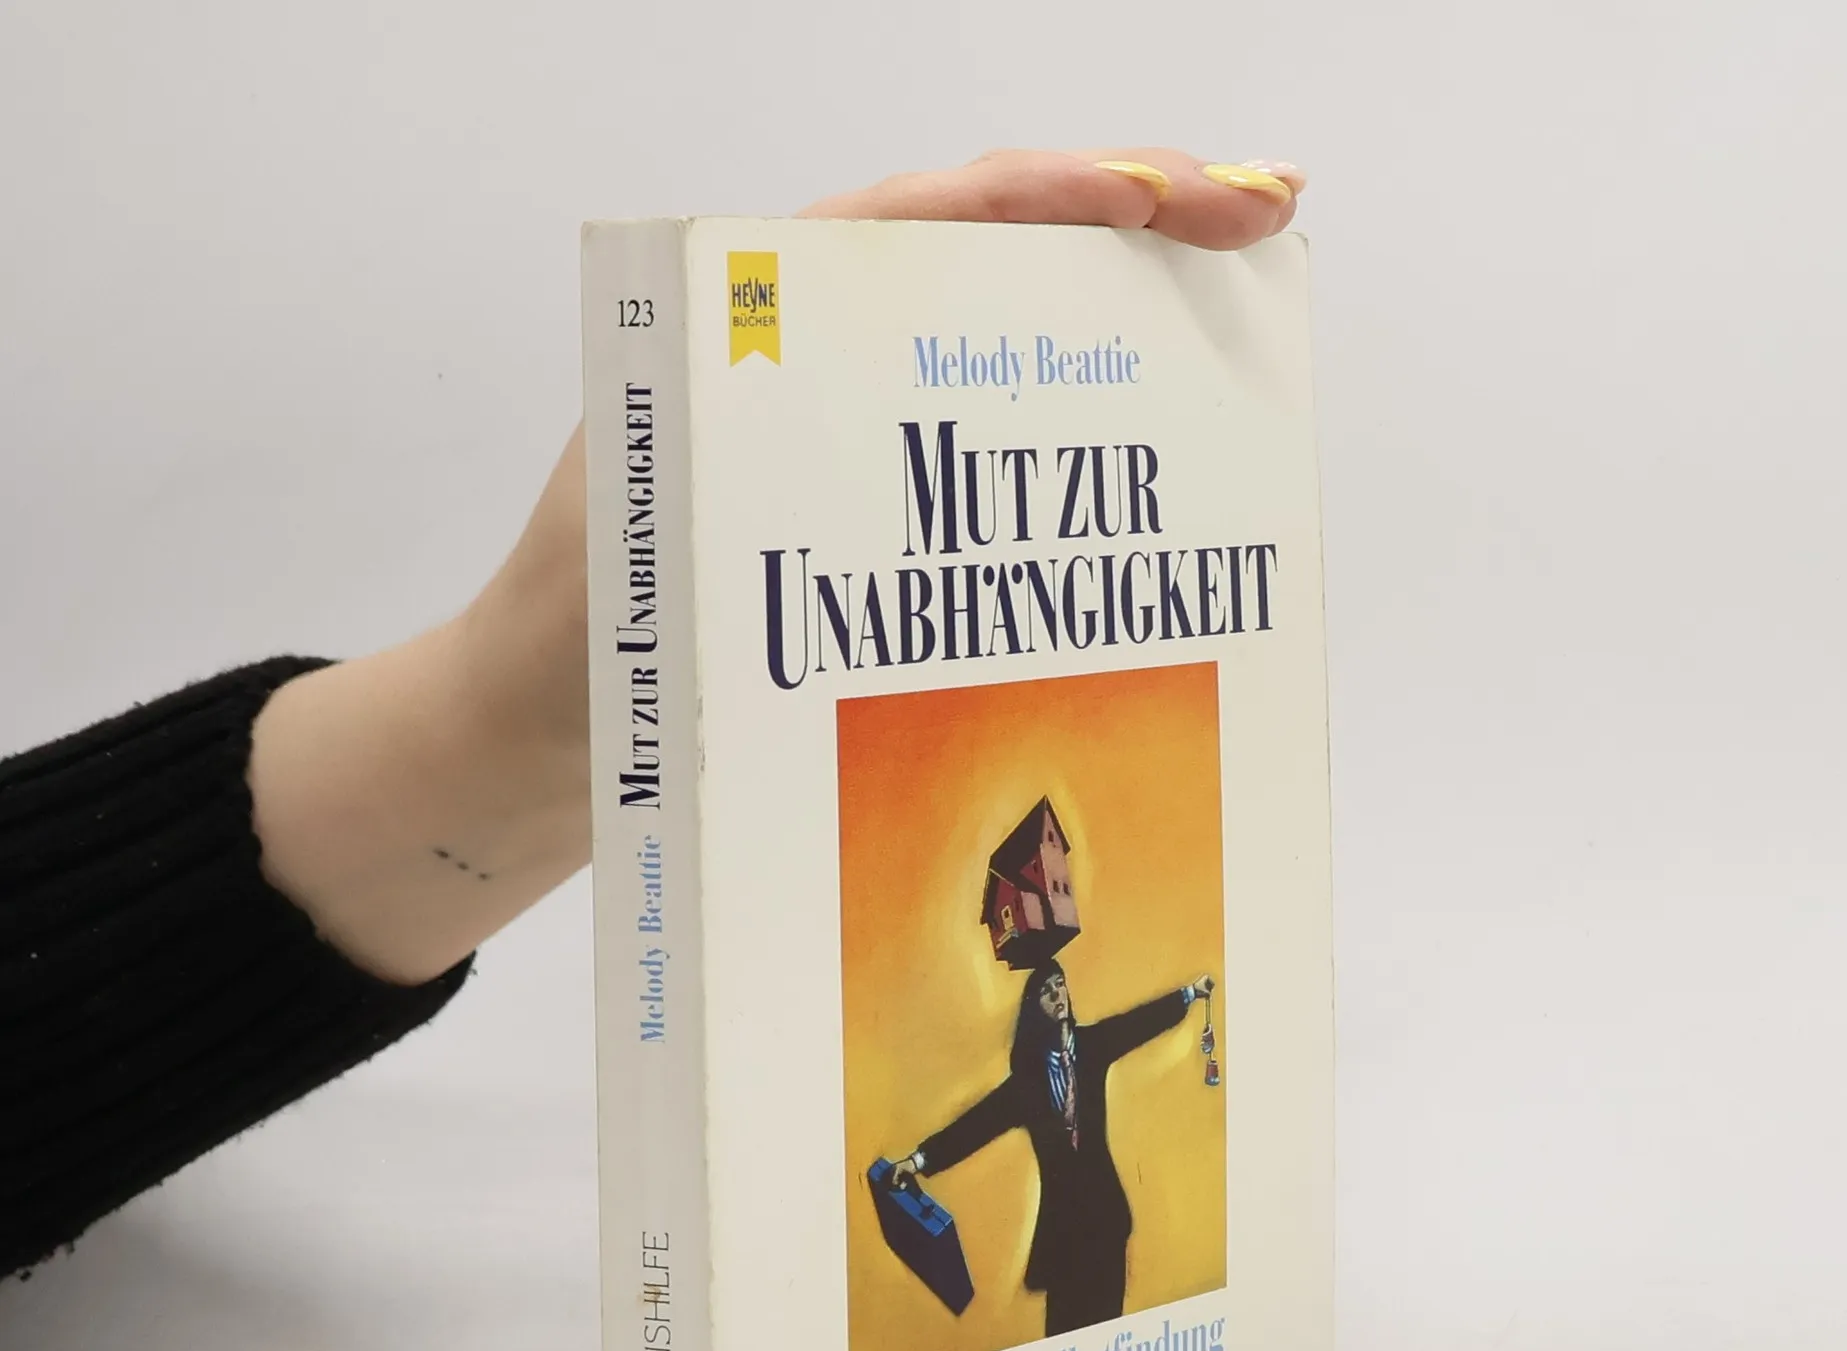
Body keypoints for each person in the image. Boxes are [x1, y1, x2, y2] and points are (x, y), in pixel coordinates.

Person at [0, 148, 1304, 1277]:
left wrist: (516, 724)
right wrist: (516, 727)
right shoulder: (1037, 1018)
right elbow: (1020, 1102)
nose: (1044, 902)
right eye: (1039, 886)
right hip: (1069, 1239)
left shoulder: (1056, 1010)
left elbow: (1069, 1071)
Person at [887, 962, 1215, 1337]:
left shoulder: (1093, 1046)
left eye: (1061, 985)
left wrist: (1190, 993)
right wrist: (918, 1161)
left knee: (1107, 1333)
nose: (1058, 995)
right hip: (1063, 1237)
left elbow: (1137, 1024)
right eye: (1047, 991)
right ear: (1034, 1008)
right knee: (1063, 1337)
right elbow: (976, 1125)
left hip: (1106, 1223)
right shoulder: (1026, 1084)